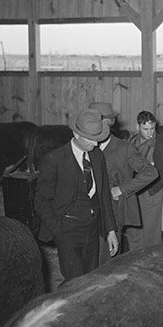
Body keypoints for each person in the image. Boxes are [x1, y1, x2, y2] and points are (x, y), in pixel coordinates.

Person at [34, 108, 119, 281]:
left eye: (98, 139)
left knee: (90, 279)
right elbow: (41, 200)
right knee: (75, 282)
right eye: (91, 140)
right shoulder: (54, 160)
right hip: (67, 230)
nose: (95, 144)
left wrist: (111, 230)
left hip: (92, 229)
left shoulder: (97, 155)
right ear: (76, 134)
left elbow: (103, 195)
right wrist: (58, 230)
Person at [97, 113, 158, 257]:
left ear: (107, 124)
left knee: (106, 258)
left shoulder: (123, 147)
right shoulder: (88, 146)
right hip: (89, 213)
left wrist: (121, 189)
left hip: (112, 211)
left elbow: (151, 172)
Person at [129, 110, 163, 250]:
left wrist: (148, 192)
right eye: (146, 129)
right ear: (137, 127)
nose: (150, 133)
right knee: (134, 230)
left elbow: (162, 176)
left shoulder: (160, 145)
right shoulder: (131, 142)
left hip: (151, 192)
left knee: (151, 233)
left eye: (152, 128)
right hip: (134, 192)